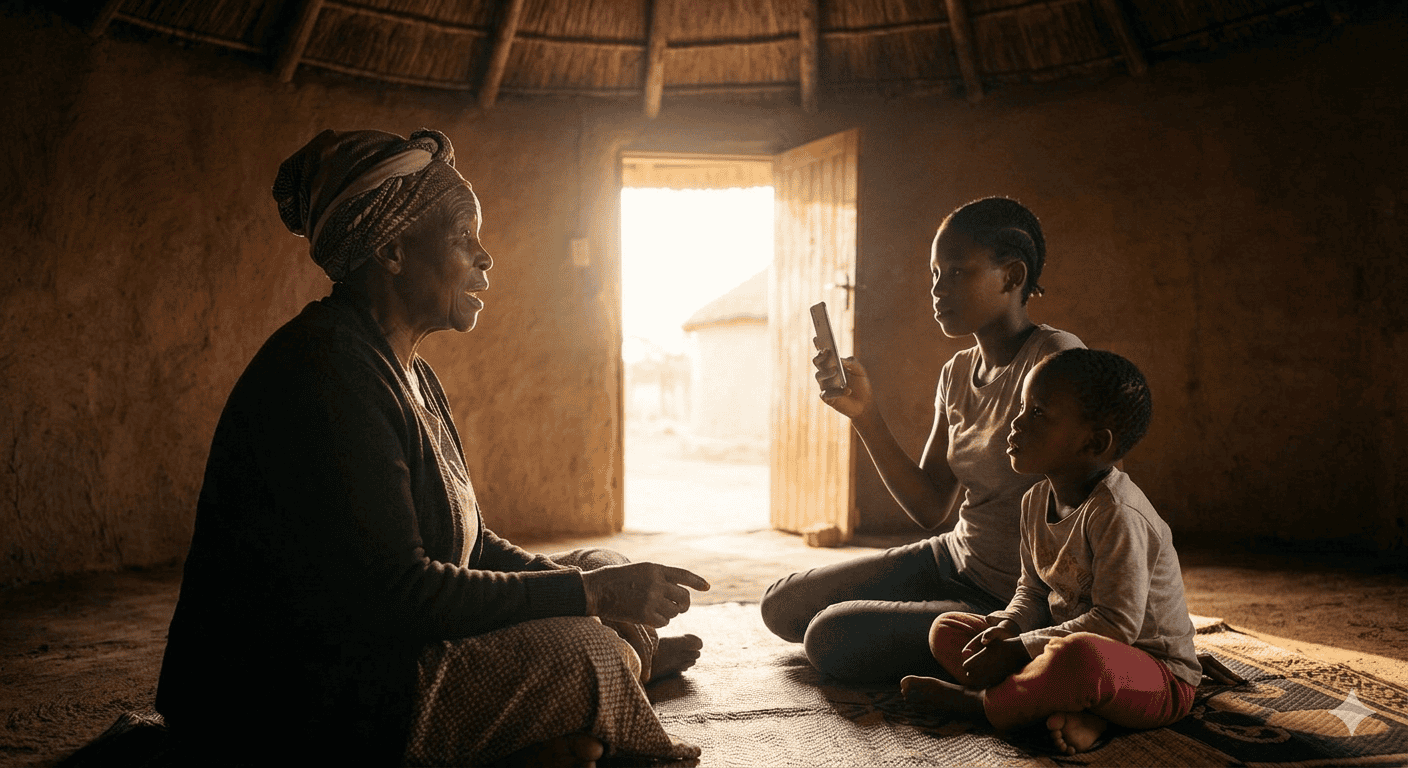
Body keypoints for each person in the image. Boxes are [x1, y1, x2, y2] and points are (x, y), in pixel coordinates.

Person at [155, 128, 708, 768]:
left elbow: (469, 543)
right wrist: (588, 600)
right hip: (288, 702)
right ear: (390, 249)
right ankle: (609, 683)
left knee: (596, 562)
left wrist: (588, 584)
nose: (485, 258)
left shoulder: (404, 368)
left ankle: (590, 699)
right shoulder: (327, 377)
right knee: (587, 649)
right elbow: (399, 597)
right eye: (462, 239)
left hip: (379, 648)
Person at [760, 197, 1083, 683]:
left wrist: (1050, 613)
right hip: (953, 556)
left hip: (1013, 594)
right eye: (934, 274)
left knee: (829, 637)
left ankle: (1003, 652)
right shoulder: (956, 374)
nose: (937, 289)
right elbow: (931, 507)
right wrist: (865, 415)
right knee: (781, 605)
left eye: (956, 272)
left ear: (1012, 277)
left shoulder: (1054, 359)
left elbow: (1092, 492)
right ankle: (944, 631)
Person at [901, 348, 1200, 755]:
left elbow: (1116, 626)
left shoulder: (1117, 514)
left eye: (1038, 413)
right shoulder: (1034, 501)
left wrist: (1021, 649)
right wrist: (1007, 627)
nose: (1016, 422)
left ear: (1094, 443)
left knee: (1080, 660)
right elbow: (1033, 591)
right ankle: (1061, 709)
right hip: (1064, 652)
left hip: (1152, 674)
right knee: (948, 629)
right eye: (1022, 406)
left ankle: (984, 706)